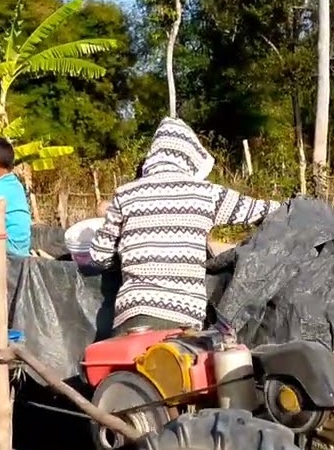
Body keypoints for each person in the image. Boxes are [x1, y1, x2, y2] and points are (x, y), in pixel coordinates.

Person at [88, 117, 283, 333]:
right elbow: (262, 210)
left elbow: (99, 255)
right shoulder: (205, 194)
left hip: (131, 318)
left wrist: (132, 255)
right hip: (182, 319)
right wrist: (298, 206)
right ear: (190, 156)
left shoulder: (125, 194)